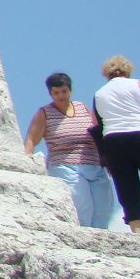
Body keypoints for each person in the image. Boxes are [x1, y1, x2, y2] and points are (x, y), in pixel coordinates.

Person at [23, 72, 114, 229]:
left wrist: (108, 159)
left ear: (70, 90)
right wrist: (26, 165)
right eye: (56, 92)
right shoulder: (45, 113)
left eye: (64, 91)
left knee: (103, 207)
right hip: (65, 166)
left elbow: (97, 133)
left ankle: (100, 239)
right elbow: (31, 139)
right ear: (50, 93)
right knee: (82, 207)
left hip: (94, 164)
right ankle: (83, 239)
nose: (61, 96)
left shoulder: (82, 108)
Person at [92, 55, 140, 234]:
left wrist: (104, 157)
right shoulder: (138, 84)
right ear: (127, 71)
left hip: (113, 140)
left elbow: (96, 125)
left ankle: (136, 231)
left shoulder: (99, 94)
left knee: (126, 186)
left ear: (107, 73)